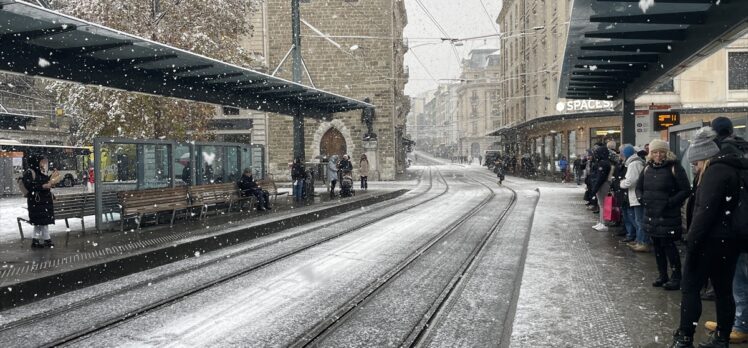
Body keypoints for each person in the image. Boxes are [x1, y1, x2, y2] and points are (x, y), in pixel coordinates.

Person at [671, 126, 747, 347]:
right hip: (731, 242)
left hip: (710, 241)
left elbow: (705, 212)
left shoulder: (715, 171)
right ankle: (721, 338)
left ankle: (684, 338)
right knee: (725, 291)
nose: (694, 168)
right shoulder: (736, 166)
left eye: (696, 164)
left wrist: (691, 243)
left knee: (691, 289)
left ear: (704, 158)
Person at [636, 139, 690, 291]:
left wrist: (669, 202)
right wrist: (642, 199)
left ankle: (676, 276)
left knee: (669, 246)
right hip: (651, 215)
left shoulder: (674, 167)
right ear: (650, 154)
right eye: (654, 152)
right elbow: (639, 187)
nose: (658, 155)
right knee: (657, 246)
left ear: (667, 153)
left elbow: (685, 190)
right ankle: (662, 275)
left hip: (668, 215)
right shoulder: (647, 168)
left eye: (661, 152)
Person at [22, 155, 56, 248]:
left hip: (42, 202)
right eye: (42, 161)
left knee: (40, 223)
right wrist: (42, 186)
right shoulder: (30, 172)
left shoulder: (40, 171)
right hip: (37, 202)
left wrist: (51, 182)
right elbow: (29, 186)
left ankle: (36, 240)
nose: (44, 163)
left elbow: (43, 182)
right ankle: (46, 240)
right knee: (42, 223)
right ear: (36, 162)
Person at [619, 144, 648, 252]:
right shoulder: (636, 162)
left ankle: (643, 242)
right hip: (636, 195)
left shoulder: (633, 164)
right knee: (638, 219)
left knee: (639, 220)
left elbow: (631, 181)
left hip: (636, 196)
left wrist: (622, 183)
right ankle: (640, 240)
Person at [590, 145, 613, 232]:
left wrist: (595, 189)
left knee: (603, 205)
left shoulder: (603, 163)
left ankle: (603, 223)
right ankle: (601, 221)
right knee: (601, 204)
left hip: (603, 185)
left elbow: (600, 177)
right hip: (603, 184)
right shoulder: (604, 162)